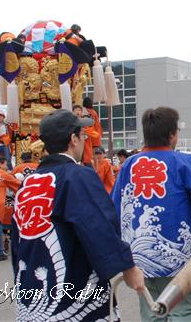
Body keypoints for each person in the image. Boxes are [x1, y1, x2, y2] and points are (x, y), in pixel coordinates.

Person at [11, 109, 144, 321]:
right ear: (73, 139)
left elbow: (17, 240)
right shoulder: (77, 176)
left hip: (32, 287)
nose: (85, 142)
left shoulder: (29, 183)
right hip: (72, 287)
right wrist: (128, 266)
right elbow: (98, 225)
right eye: (83, 136)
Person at [112, 107, 191, 322]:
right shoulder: (182, 162)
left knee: (151, 309)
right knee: (185, 308)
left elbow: (115, 207)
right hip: (174, 254)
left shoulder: (129, 164)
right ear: (171, 134)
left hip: (139, 256)